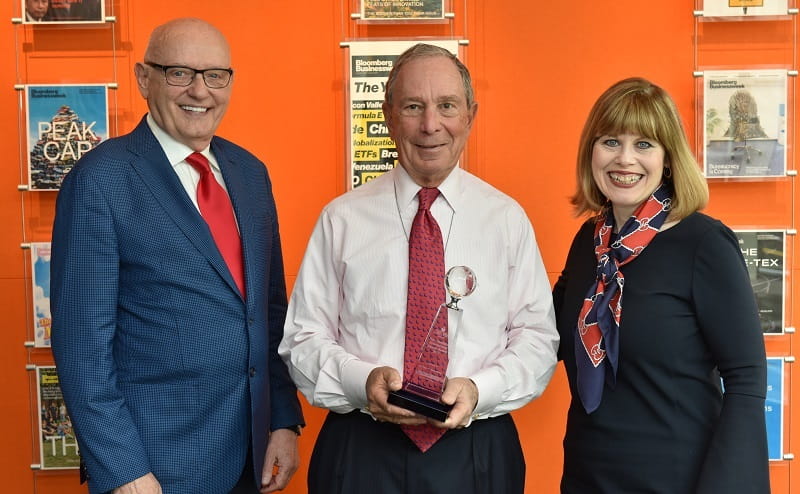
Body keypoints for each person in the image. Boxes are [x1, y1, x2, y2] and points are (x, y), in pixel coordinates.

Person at [279, 43, 559, 494]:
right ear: (389, 116)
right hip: (361, 450)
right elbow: (303, 338)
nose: (431, 125)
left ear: (471, 114)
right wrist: (361, 382)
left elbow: (538, 340)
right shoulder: (341, 218)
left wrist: (479, 389)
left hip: (478, 452)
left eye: (447, 106)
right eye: (414, 106)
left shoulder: (506, 219)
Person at [50, 18, 303, 494]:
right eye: (179, 73)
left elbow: (268, 315)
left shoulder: (250, 174)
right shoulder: (100, 181)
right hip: (153, 468)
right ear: (144, 78)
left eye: (215, 75)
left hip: (249, 457)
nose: (200, 91)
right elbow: (82, 350)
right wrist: (123, 470)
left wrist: (284, 423)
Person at [553, 77, 770, 493]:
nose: (625, 159)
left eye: (644, 145)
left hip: (677, 479)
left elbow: (745, 379)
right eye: (610, 141)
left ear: (668, 159)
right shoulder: (588, 243)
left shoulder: (704, 244)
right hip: (587, 476)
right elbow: (550, 336)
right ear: (591, 151)